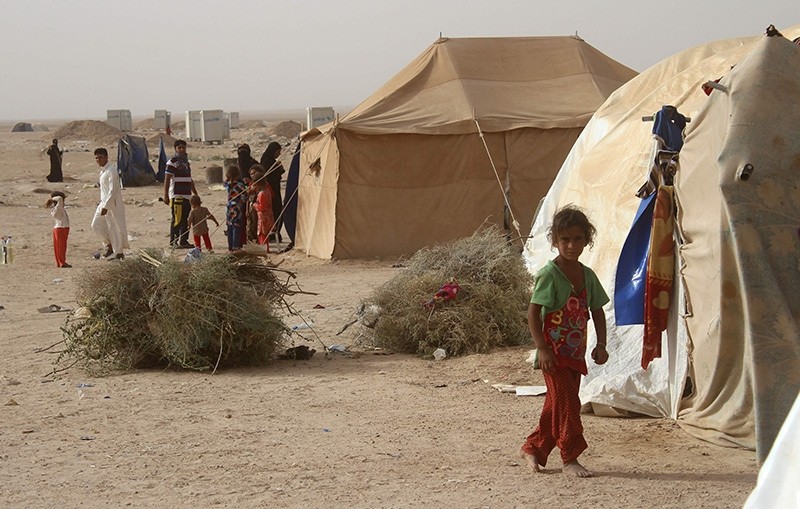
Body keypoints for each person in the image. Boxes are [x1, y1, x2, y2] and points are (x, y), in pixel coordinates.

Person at [519, 206, 609, 478]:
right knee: (568, 404)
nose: (571, 245)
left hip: (575, 353)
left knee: (556, 404)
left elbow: (597, 310)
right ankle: (569, 456)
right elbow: (533, 313)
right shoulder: (550, 274)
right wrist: (542, 349)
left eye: (577, 239)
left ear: (586, 240)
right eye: (564, 240)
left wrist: (601, 344)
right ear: (555, 242)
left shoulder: (587, 276)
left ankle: (533, 448)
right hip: (553, 356)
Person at [91, 148, 128, 260]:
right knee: (96, 224)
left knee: (115, 228)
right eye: (96, 158)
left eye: (100, 157)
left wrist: (107, 206)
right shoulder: (103, 171)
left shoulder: (112, 171)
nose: (98, 160)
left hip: (113, 204)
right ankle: (109, 245)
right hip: (104, 202)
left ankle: (119, 252)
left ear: (107, 157)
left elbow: (113, 190)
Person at [163, 139, 197, 248]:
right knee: (177, 219)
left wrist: (195, 193)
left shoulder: (186, 163)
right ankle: (173, 242)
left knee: (186, 219)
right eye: (179, 148)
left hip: (187, 195)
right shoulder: (172, 162)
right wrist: (165, 196)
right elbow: (167, 179)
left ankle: (184, 241)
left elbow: (189, 179)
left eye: (183, 147)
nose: (182, 149)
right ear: (175, 149)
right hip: (177, 195)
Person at [259, 141, 285, 243]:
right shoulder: (268, 162)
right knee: (274, 211)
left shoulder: (269, 160)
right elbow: (270, 175)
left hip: (274, 190)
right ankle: (272, 234)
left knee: (277, 211)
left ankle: (275, 234)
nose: (279, 154)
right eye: (278, 151)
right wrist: (279, 168)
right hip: (271, 192)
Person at [224, 165, 247, 252]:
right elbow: (244, 197)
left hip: (229, 208)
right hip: (237, 208)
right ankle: (235, 246)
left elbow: (224, 183)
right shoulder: (240, 185)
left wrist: (227, 178)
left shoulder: (228, 185)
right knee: (236, 228)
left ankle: (230, 247)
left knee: (230, 227)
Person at [46, 191, 71, 268]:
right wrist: (51, 199)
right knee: (61, 246)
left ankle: (59, 262)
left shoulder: (56, 209)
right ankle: (62, 262)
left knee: (58, 247)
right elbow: (59, 198)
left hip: (58, 228)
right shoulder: (58, 207)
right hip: (61, 228)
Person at [251, 171, 275, 251]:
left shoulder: (262, 194)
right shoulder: (267, 191)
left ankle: (264, 249)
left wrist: (254, 205)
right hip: (269, 215)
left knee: (262, 234)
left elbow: (261, 207)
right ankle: (266, 248)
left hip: (263, 217)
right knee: (266, 234)